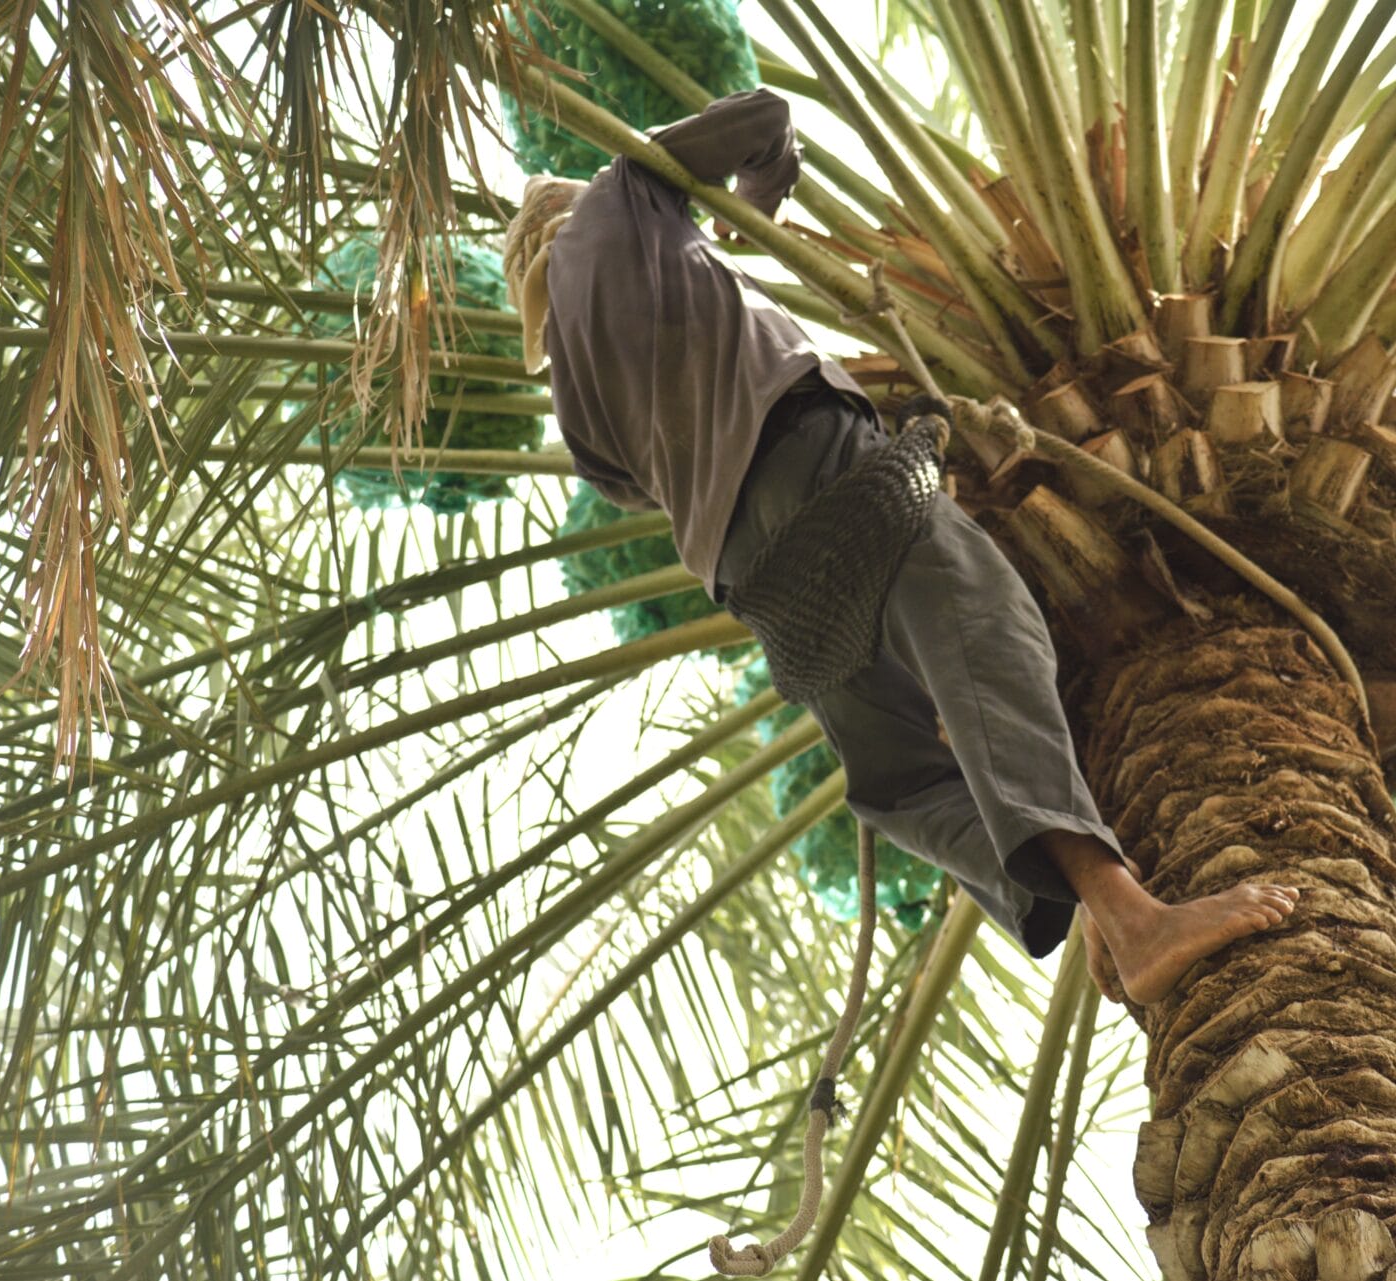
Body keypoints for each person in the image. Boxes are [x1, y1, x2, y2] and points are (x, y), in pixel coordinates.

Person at [504, 89, 1296, 1005]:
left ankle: (1080, 894)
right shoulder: (620, 198)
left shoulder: (576, 407)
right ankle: (1134, 916)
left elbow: (634, 485)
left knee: (895, 775)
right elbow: (761, 117)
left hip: (752, 573)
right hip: (814, 460)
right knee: (990, 633)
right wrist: (747, 213)